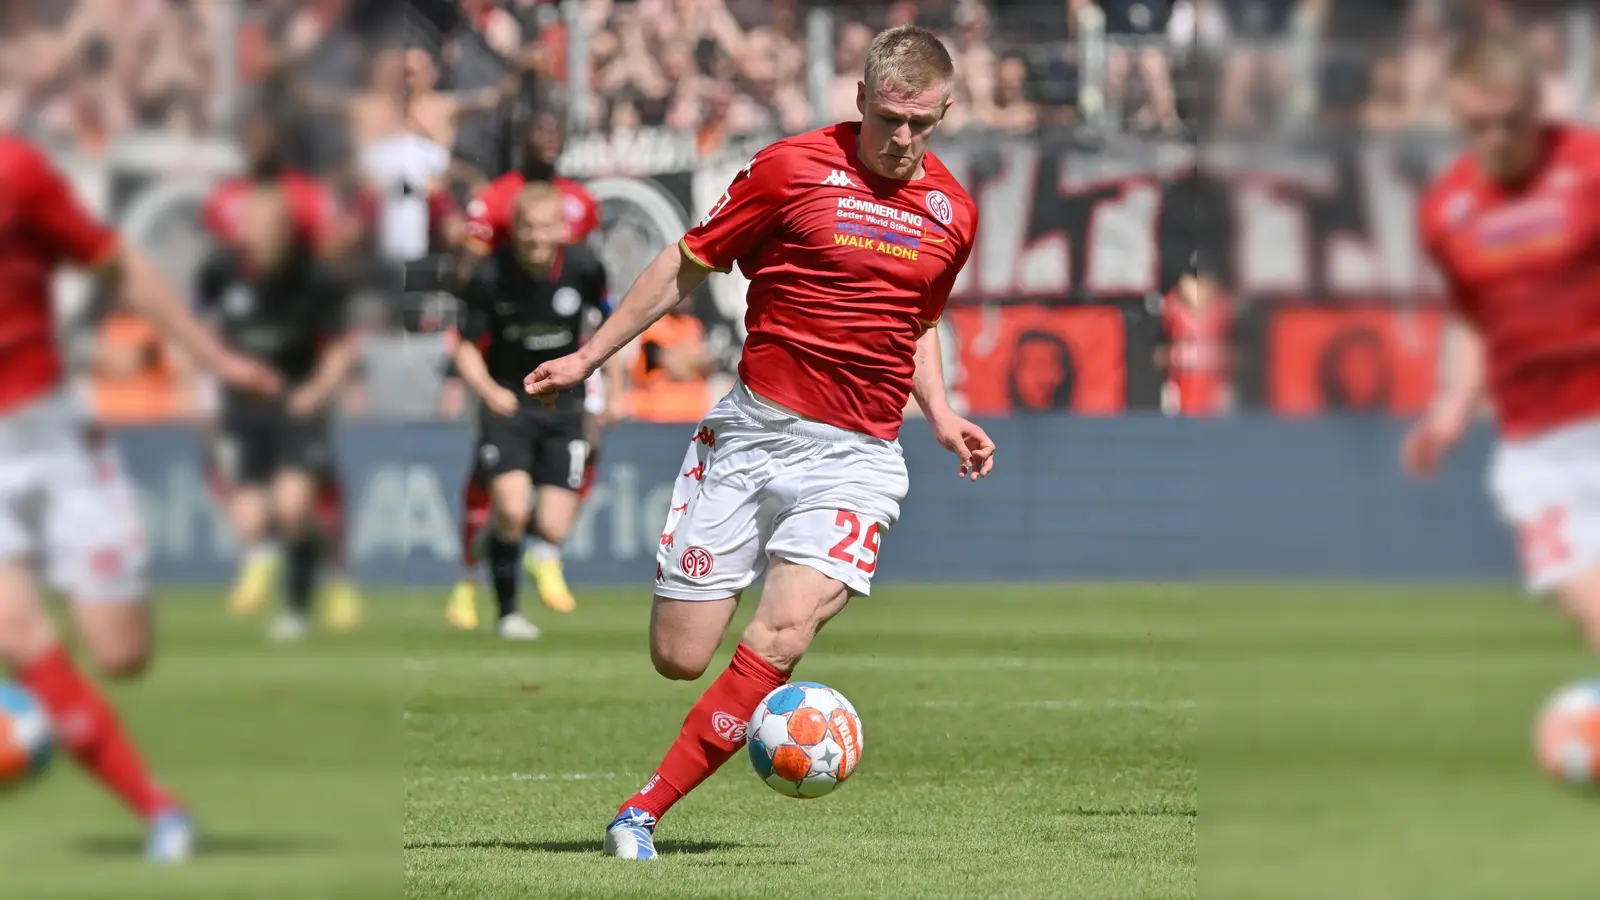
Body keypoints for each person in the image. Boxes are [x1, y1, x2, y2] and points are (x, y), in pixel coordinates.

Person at [523, 25, 994, 859]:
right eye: (889, 117)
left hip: (859, 456)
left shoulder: (953, 212)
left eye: (921, 123)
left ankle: (641, 814)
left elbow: (917, 321)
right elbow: (687, 262)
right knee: (681, 655)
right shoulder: (790, 168)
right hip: (754, 436)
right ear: (859, 99)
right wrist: (590, 354)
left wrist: (943, 414)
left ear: (945, 112)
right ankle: (725, 656)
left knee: (783, 632)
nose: (902, 139)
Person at [0, 134, 280, 862]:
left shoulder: (18, 172)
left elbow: (117, 265)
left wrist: (212, 357)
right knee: (16, 634)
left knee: (121, 654)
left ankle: (45, 715)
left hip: (48, 433)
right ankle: (161, 811)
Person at [1405, 32, 1600, 649]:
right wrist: (1454, 406)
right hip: (1537, 451)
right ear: (1459, 117)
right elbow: (1473, 316)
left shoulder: (1589, 166)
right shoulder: (1447, 212)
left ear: (1536, 106)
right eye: (1479, 124)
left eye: (1511, 122)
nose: (1497, 138)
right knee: (1589, 601)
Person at [446, 109, 613, 626]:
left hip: (564, 402)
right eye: (529, 228)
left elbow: (611, 327)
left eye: (547, 228)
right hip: (508, 395)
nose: (539, 238)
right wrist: (485, 391)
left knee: (553, 527)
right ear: (513, 230)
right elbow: (464, 345)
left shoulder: (584, 267)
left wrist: (620, 384)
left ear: (563, 229)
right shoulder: (491, 277)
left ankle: (528, 552)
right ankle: (508, 612)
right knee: (514, 510)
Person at [200, 109, 363, 629]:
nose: (255, 235)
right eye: (248, 226)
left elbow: (341, 344)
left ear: (288, 230)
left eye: (267, 227)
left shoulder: (314, 277)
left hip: (296, 398)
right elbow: (200, 329)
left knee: (294, 507)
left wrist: (319, 390)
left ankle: (299, 606)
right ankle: (280, 558)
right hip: (241, 404)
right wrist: (202, 382)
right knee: (252, 522)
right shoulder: (220, 269)